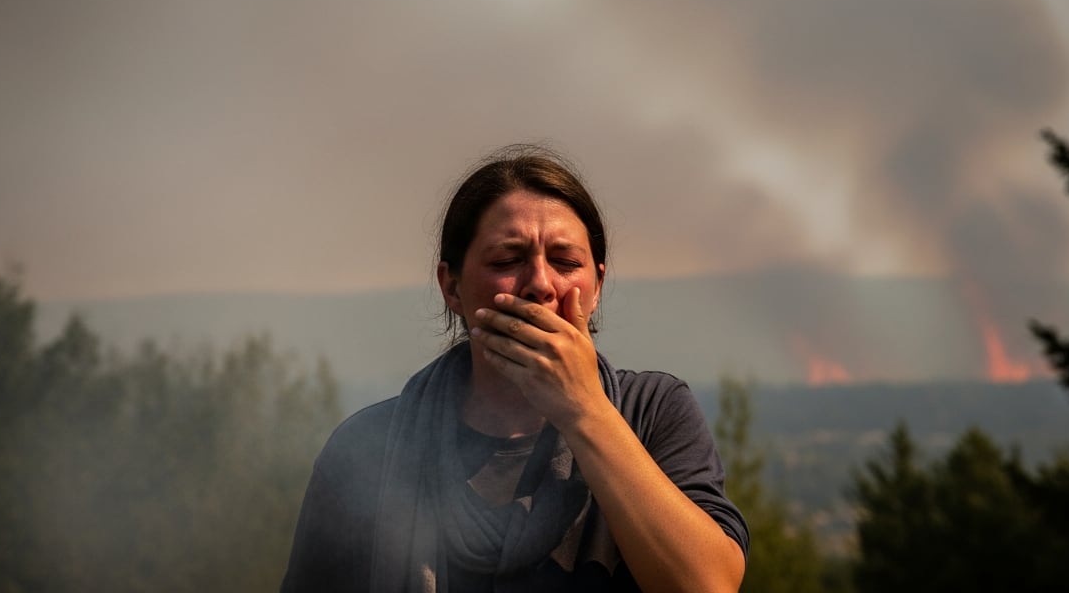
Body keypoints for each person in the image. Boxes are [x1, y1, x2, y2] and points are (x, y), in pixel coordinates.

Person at [280, 144, 748, 592]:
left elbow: (709, 583)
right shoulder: (368, 448)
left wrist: (584, 409)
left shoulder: (652, 413)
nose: (541, 284)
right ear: (452, 287)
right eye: (508, 260)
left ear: (597, 284)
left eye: (565, 262)